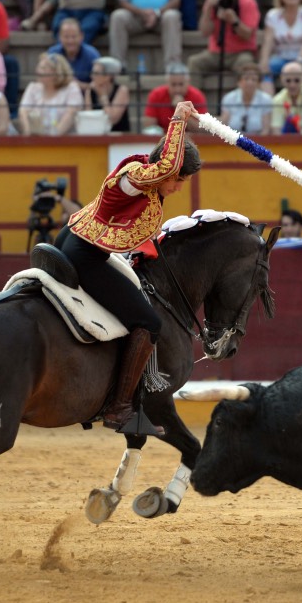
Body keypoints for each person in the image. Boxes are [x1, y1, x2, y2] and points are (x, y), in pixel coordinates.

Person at [59, 100, 202, 432]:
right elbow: (167, 167)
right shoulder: (135, 176)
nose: (179, 187)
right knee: (149, 322)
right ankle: (119, 408)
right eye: (179, 179)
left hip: (79, 242)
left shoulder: (148, 188)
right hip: (84, 254)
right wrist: (178, 119)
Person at [186, 0, 260, 91]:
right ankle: (195, 102)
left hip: (240, 53)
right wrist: (208, 9)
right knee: (194, 62)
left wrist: (234, 21)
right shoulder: (212, 2)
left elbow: (247, 35)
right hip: (215, 52)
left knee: (246, 65)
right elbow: (205, 32)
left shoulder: (247, 3)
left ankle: (245, 101)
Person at [258, 0, 302, 95]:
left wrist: (299, 61)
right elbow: (268, 41)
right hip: (282, 56)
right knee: (266, 69)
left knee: (300, 70)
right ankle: (269, 105)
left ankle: (301, 103)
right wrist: (264, 61)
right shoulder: (273, 15)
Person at [18, 51, 83, 136]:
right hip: (36, 140)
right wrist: (28, 134)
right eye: (39, 67)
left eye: (43, 68)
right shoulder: (33, 88)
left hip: (65, 142)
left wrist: (52, 139)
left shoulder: (72, 89)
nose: (38, 71)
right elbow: (23, 111)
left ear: (56, 72)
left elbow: (71, 114)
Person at [108, 0, 183, 70]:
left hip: (162, 16)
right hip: (135, 16)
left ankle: (173, 66)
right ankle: (117, 65)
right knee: (117, 16)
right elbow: (122, 2)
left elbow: (176, 1)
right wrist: (142, 13)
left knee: (172, 16)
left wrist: (157, 13)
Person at [145, 62, 208, 131]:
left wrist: (184, 113)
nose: (177, 89)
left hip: (188, 139)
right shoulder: (156, 95)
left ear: (188, 82)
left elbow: (201, 129)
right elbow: (149, 127)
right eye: (173, 84)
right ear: (167, 82)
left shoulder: (197, 96)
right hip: (164, 138)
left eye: (181, 84)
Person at [48, 18, 100, 95]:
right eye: (66, 37)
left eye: (74, 36)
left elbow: (99, 85)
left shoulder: (92, 55)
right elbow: (46, 81)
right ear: (59, 37)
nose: (70, 41)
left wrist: (78, 85)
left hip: (85, 99)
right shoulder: (53, 53)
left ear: (81, 36)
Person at [220, 61, 272, 134]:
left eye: (254, 79)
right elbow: (223, 126)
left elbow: (265, 130)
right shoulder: (229, 98)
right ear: (239, 82)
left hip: (257, 142)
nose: (250, 83)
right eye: (246, 79)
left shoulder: (266, 100)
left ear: (259, 83)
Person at [83, 56, 130, 132]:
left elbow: (112, 120)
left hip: (118, 135)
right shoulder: (90, 90)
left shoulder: (122, 90)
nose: (92, 77)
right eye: (92, 73)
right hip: (95, 134)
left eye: (96, 73)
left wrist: (103, 96)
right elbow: (89, 118)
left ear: (108, 76)